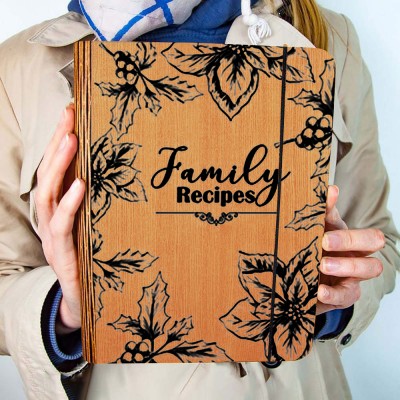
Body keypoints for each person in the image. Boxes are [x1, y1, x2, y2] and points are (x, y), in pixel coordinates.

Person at [0, 0, 398, 399]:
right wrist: (66, 307)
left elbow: (380, 241)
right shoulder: (20, 68)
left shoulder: (330, 38)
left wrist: (335, 296)